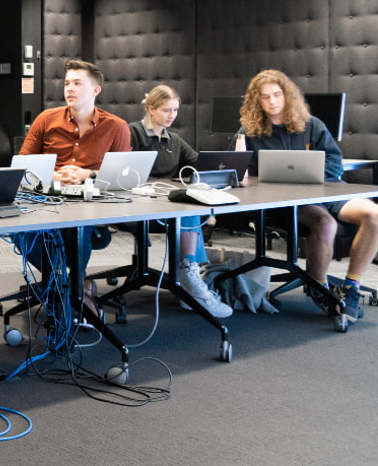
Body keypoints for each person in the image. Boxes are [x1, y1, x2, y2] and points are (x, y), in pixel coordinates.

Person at [238, 69, 378, 323]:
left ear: (287, 95)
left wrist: (316, 178)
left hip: (325, 192)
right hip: (284, 202)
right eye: (265, 97)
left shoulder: (311, 125)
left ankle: (351, 287)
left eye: (277, 94)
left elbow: (335, 162)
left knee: (374, 214)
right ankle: (321, 287)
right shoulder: (250, 132)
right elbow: (237, 171)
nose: (272, 101)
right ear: (256, 101)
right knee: (325, 223)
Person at [18, 59, 131, 311]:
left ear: (95, 90)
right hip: (48, 195)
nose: (69, 88)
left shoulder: (116, 126)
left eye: (78, 83)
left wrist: (87, 175)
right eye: (67, 83)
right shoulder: (46, 119)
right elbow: (22, 166)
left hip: (90, 198)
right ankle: (74, 285)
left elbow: (124, 177)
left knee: (77, 227)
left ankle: (67, 291)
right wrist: (52, 177)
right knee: (19, 232)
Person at [128, 85, 232, 318]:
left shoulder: (173, 139)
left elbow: (199, 164)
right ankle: (189, 275)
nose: (172, 115)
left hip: (170, 207)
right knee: (187, 207)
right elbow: (123, 171)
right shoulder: (132, 133)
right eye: (166, 110)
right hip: (139, 207)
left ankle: (188, 271)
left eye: (175, 110)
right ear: (151, 109)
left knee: (191, 202)